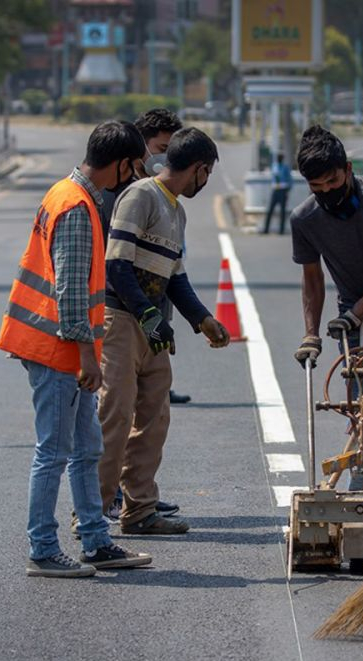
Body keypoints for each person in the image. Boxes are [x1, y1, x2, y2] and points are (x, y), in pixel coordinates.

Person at [0, 121, 153, 577]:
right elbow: (69, 293)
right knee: (54, 452)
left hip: (59, 348)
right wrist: (89, 358)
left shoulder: (65, 193)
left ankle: (95, 539)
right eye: (134, 166)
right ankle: (43, 550)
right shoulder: (77, 208)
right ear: (121, 163)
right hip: (57, 351)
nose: (133, 175)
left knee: (86, 448)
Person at [98, 127, 230, 535]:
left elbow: (175, 277)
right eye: (205, 176)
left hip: (155, 328)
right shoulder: (140, 196)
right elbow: (116, 264)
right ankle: (92, 511)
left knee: (153, 419)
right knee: (115, 416)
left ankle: (139, 510)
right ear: (200, 169)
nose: (203, 184)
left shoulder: (177, 210)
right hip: (122, 322)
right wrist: (147, 315)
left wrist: (203, 319)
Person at [289, 126, 363, 487]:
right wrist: (311, 334)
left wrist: (356, 312)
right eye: (317, 188)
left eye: (333, 181)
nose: (327, 192)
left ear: (349, 168)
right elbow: (312, 279)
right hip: (354, 315)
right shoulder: (304, 219)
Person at [131, 109, 195, 409]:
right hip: (127, 308)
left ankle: (158, 387)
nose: (167, 160)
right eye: (161, 150)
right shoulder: (129, 193)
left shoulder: (168, 194)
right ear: (141, 147)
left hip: (160, 288)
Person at [261, 152, 293, 234]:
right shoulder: (274, 166)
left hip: (282, 190)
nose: (278, 159)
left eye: (280, 158)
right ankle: (266, 229)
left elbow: (290, 180)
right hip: (275, 190)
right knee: (270, 210)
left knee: (282, 211)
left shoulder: (285, 167)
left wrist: (287, 190)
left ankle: (281, 230)